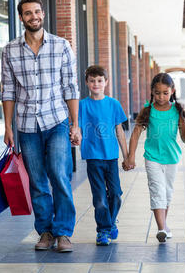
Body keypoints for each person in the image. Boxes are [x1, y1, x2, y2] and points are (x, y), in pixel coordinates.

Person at [1, 0, 80, 253]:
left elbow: (71, 87)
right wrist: (8, 127)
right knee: (36, 180)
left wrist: (75, 124)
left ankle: (64, 232)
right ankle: (45, 231)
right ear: (21, 17)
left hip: (56, 120)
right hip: (26, 124)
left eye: (37, 11)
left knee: (58, 174)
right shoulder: (10, 50)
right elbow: (8, 91)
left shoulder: (61, 46)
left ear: (43, 14)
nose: (33, 16)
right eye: (27, 13)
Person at [125, 73, 185, 243]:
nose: (161, 97)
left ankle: (164, 225)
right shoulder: (148, 110)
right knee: (157, 190)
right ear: (152, 92)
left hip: (172, 158)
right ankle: (161, 228)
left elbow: (184, 136)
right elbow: (135, 134)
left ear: (172, 91)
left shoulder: (177, 110)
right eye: (157, 93)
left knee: (167, 193)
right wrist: (130, 156)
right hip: (152, 157)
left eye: (165, 93)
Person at [77, 65, 129, 246]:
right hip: (93, 157)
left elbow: (120, 131)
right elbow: (78, 129)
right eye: (92, 81)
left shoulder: (113, 104)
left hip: (111, 157)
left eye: (99, 80)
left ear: (106, 82)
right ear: (86, 83)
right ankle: (103, 231)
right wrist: (75, 137)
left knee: (115, 194)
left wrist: (127, 155)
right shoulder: (82, 105)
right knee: (99, 197)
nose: (96, 84)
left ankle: (110, 223)